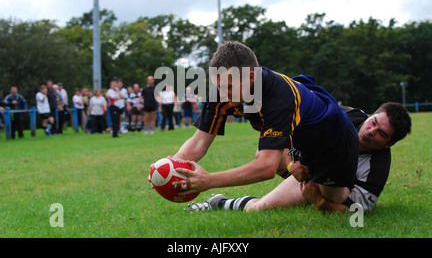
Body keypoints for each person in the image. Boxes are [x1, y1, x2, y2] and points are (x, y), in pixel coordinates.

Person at [165, 41, 359, 206]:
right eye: (218, 86)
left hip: (333, 141)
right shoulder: (223, 91)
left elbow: (267, 167)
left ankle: (333, 182)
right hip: (299, 142)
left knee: (333, 200)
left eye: (228, 87)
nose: (222, 93)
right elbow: (199, 142)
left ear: (251, 77)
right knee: (268, 157)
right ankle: (304, 177)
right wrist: (170, 166)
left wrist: (209, 181)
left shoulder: (280, 96)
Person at [186, 102, 412, 214]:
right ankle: (221, 200)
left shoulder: (378, 167)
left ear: (389, 144)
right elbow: (289, 128)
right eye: (373, 122)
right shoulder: (342, 116)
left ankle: (220, 202)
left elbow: (355, 211)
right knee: (269, 157)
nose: (371, 131)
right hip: (307, 167)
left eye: (382, 134)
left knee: (259, 209)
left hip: (326, 186)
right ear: (371, 115)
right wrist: (293, 164)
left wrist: (319, 202)